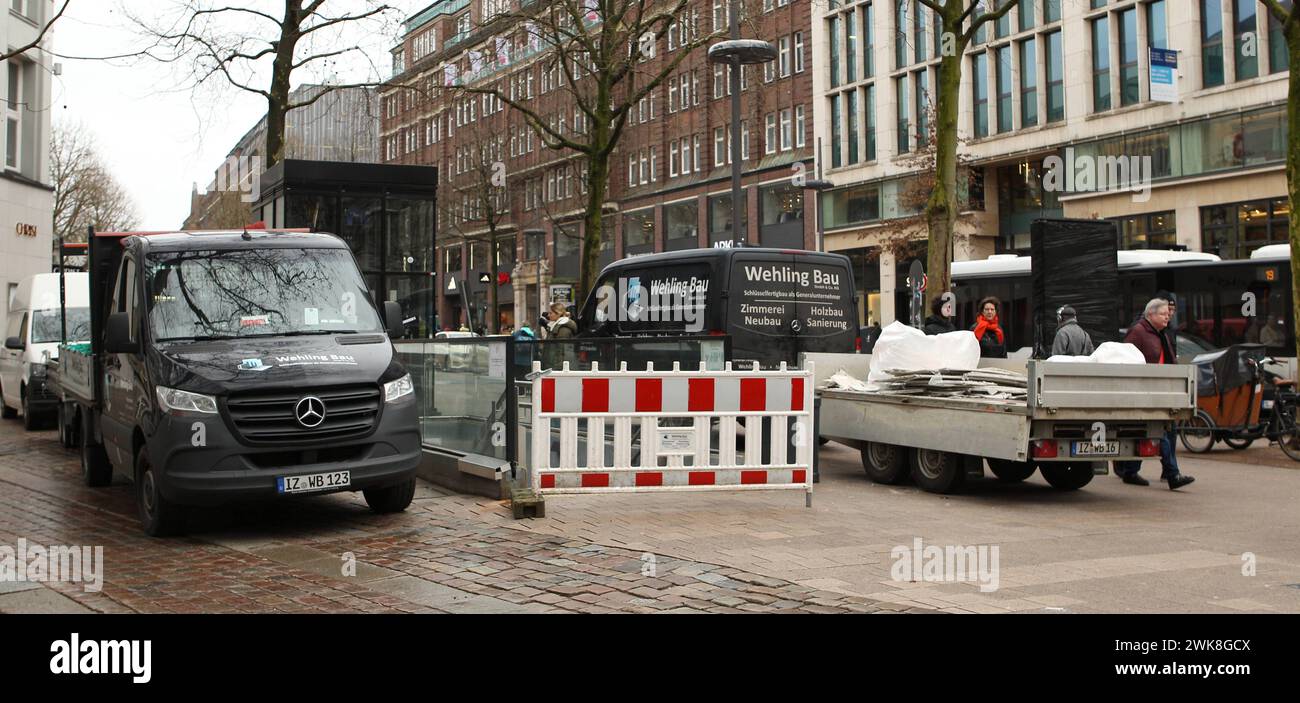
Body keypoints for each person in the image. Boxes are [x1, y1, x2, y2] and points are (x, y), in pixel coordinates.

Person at [1114, 297, 1195, 490]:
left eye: (1168, 314)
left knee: (1167, 432)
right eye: (1163, 314)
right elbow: (1126, 360)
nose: (1168, 317)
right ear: (1150, 314)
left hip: (1162, 391)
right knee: (1161, 432)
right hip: (1146, 392)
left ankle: (1131, 472)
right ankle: (1173, 474)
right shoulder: (1139, 332)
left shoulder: (1162, 334)